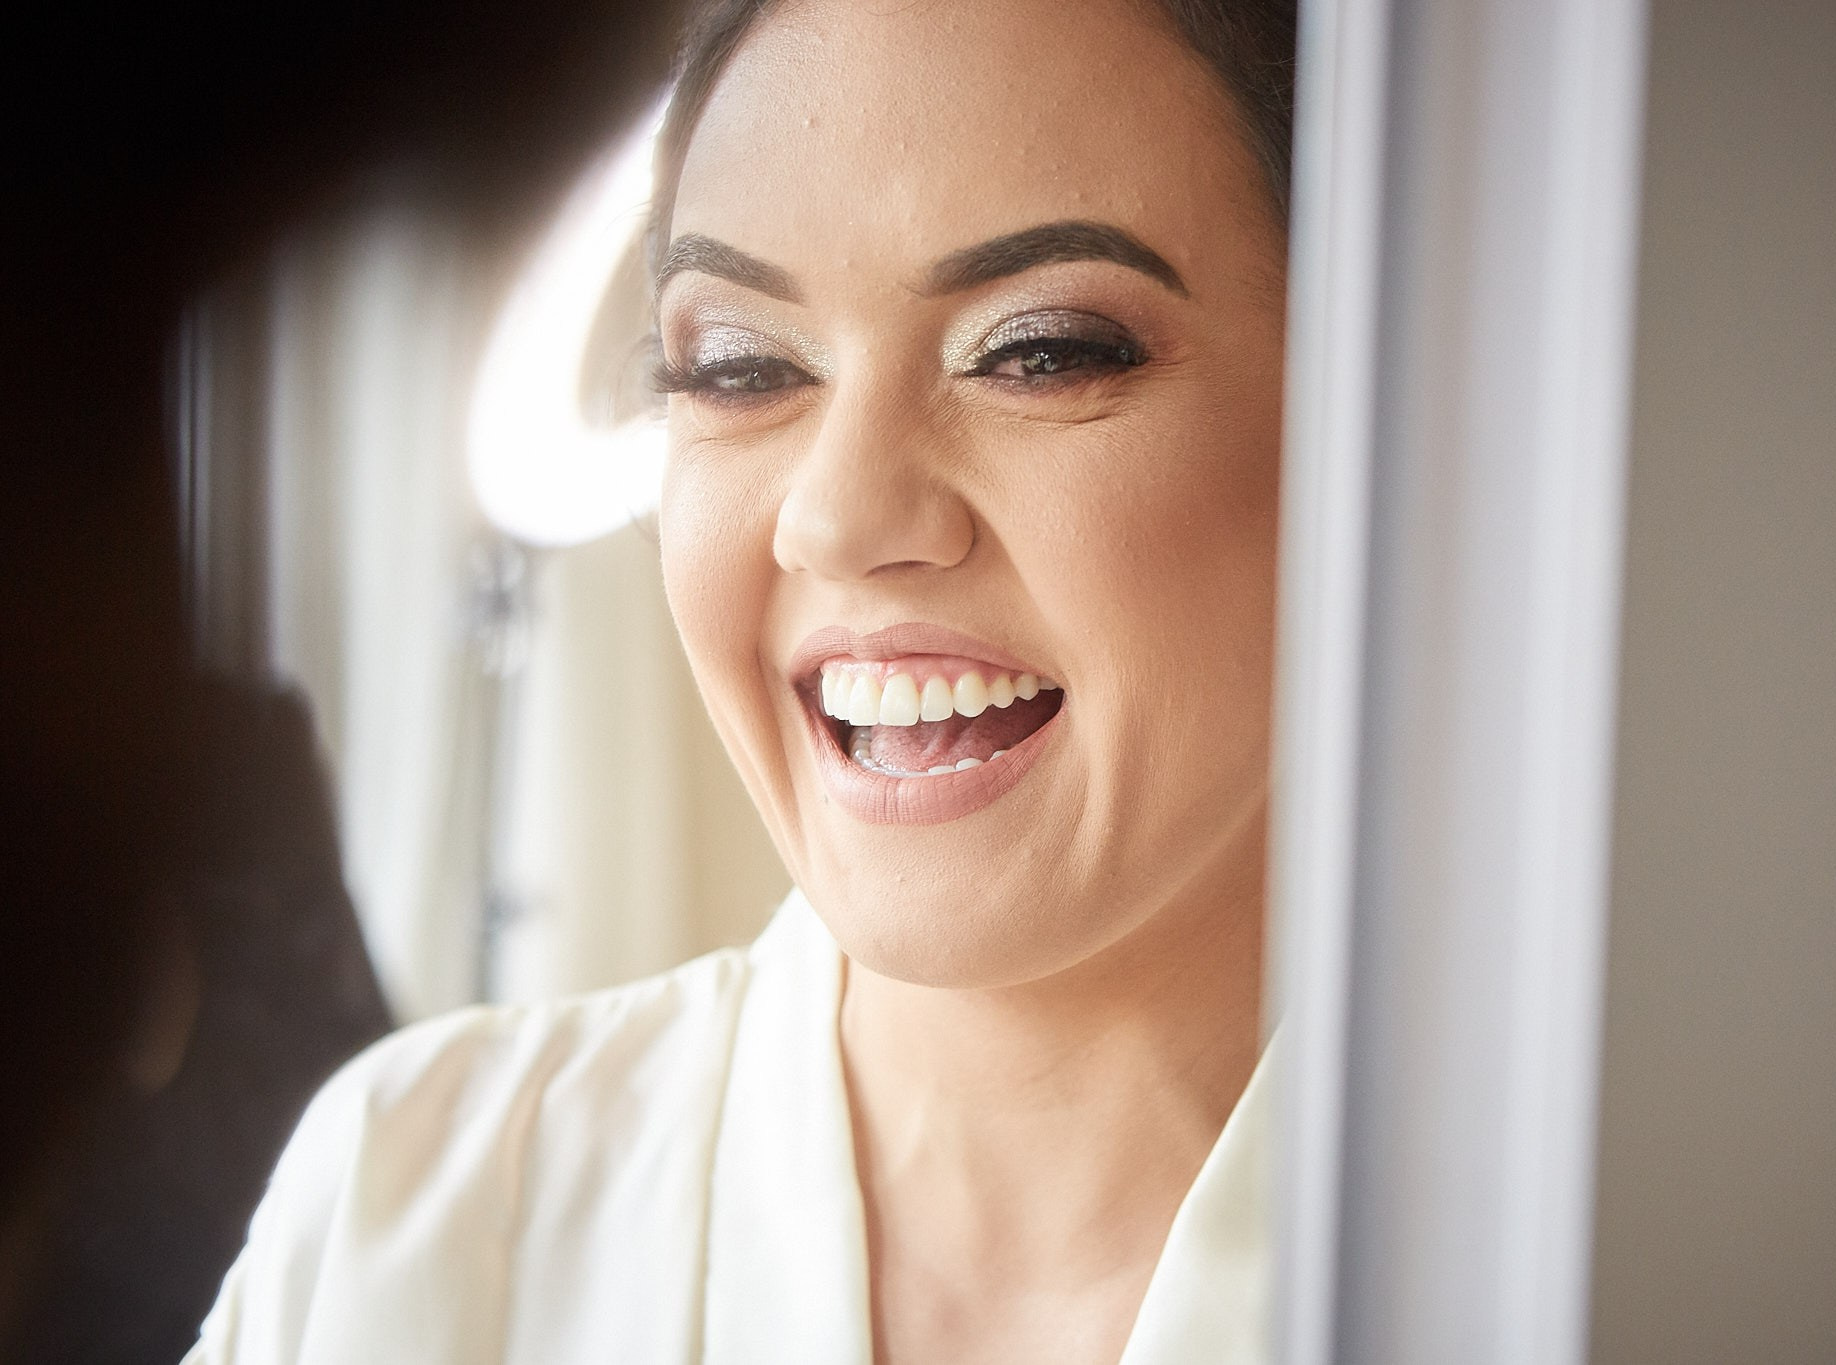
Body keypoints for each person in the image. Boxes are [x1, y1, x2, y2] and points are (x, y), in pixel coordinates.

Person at [186, 0, 1294, 1360]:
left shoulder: (1601, 1242)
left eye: (1041, 350)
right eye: (740, 367)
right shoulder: (411, 1212)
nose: (835, 515)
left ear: (1384, 404)